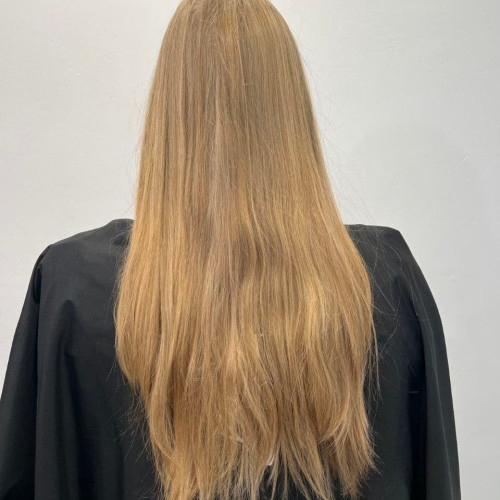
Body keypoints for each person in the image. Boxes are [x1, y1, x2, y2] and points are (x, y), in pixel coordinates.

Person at [0, 0, 460, 499]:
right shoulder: (383, 281)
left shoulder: (74, 288)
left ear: (168, 108)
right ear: (290, 107)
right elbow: (432, 477)